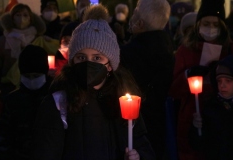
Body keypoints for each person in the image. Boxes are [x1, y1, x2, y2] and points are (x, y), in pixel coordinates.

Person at [32, 4, 155, 160]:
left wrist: (139, 157)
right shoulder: (59, 103)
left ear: (110, 64)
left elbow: (142, 146)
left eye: (97, 58)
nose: (88, 64)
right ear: (73, 61)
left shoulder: (125, 102)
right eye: (82, 57)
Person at [168, 0, 233, 159]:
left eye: (215, 24)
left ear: (222, 27)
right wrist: (188, 74)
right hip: (191, 119)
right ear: (198, 24)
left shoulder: (229, 50)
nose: (210, 28)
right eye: (206, 23)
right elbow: (173, 90)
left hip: (222, 123)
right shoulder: (186, 50)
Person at [120, 0, 175, 159]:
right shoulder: (168, 48)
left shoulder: (130, 53)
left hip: (136, 124)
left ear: (141, 23)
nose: (133, 15)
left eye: (136, 11)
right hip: (161, 122)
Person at [0, 45, 51, 160]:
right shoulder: (12, 101)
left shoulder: (54, 98)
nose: (31, 80)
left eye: (36, 76)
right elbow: (5, 138)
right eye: (27, 76)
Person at [0, 3, 46, 99]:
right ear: (12, 18)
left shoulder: (38, 39)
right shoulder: (3, 41)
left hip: (34, 87)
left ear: (31, 18)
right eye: (18, 15)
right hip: (8, 89)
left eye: (25, 15)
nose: (21, 18)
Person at [189, 55, 233, 160]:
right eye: (219, 81)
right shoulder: (211, 108)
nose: (222, 85)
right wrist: (196, 128)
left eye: (228, 81)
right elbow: (198, 145)